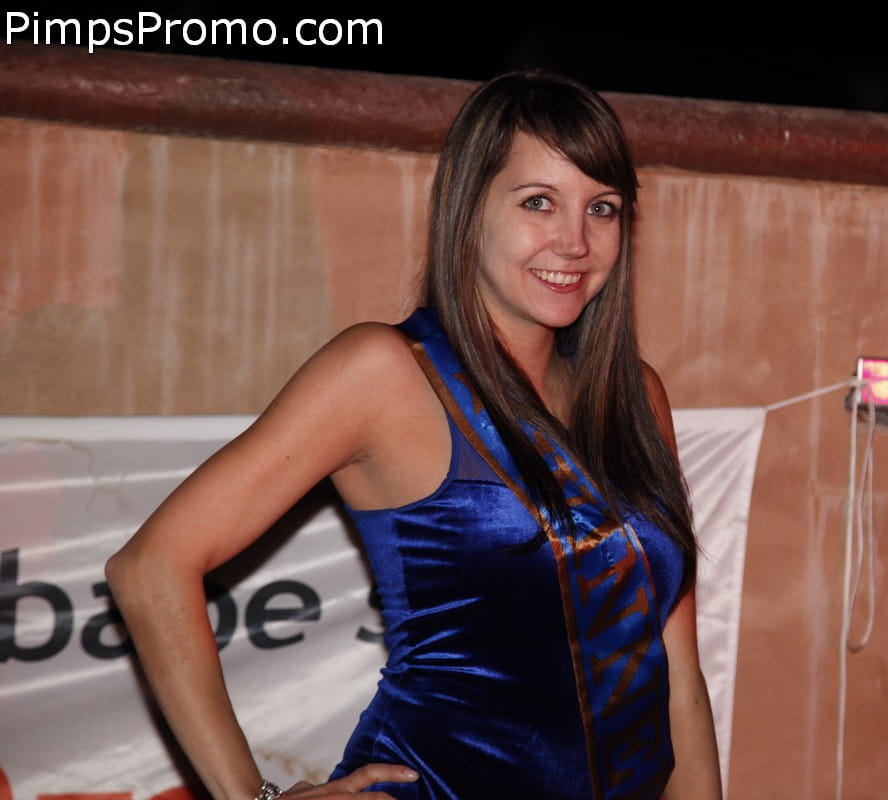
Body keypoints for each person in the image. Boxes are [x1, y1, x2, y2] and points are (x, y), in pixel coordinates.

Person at [107, 71, 722, 800]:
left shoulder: (635, 396)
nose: (575, 241)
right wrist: (251, 796)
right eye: (538, 202)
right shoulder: (387, 372)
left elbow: (677, 673)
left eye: (603, 208)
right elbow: (150, 566)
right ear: (469, 209)